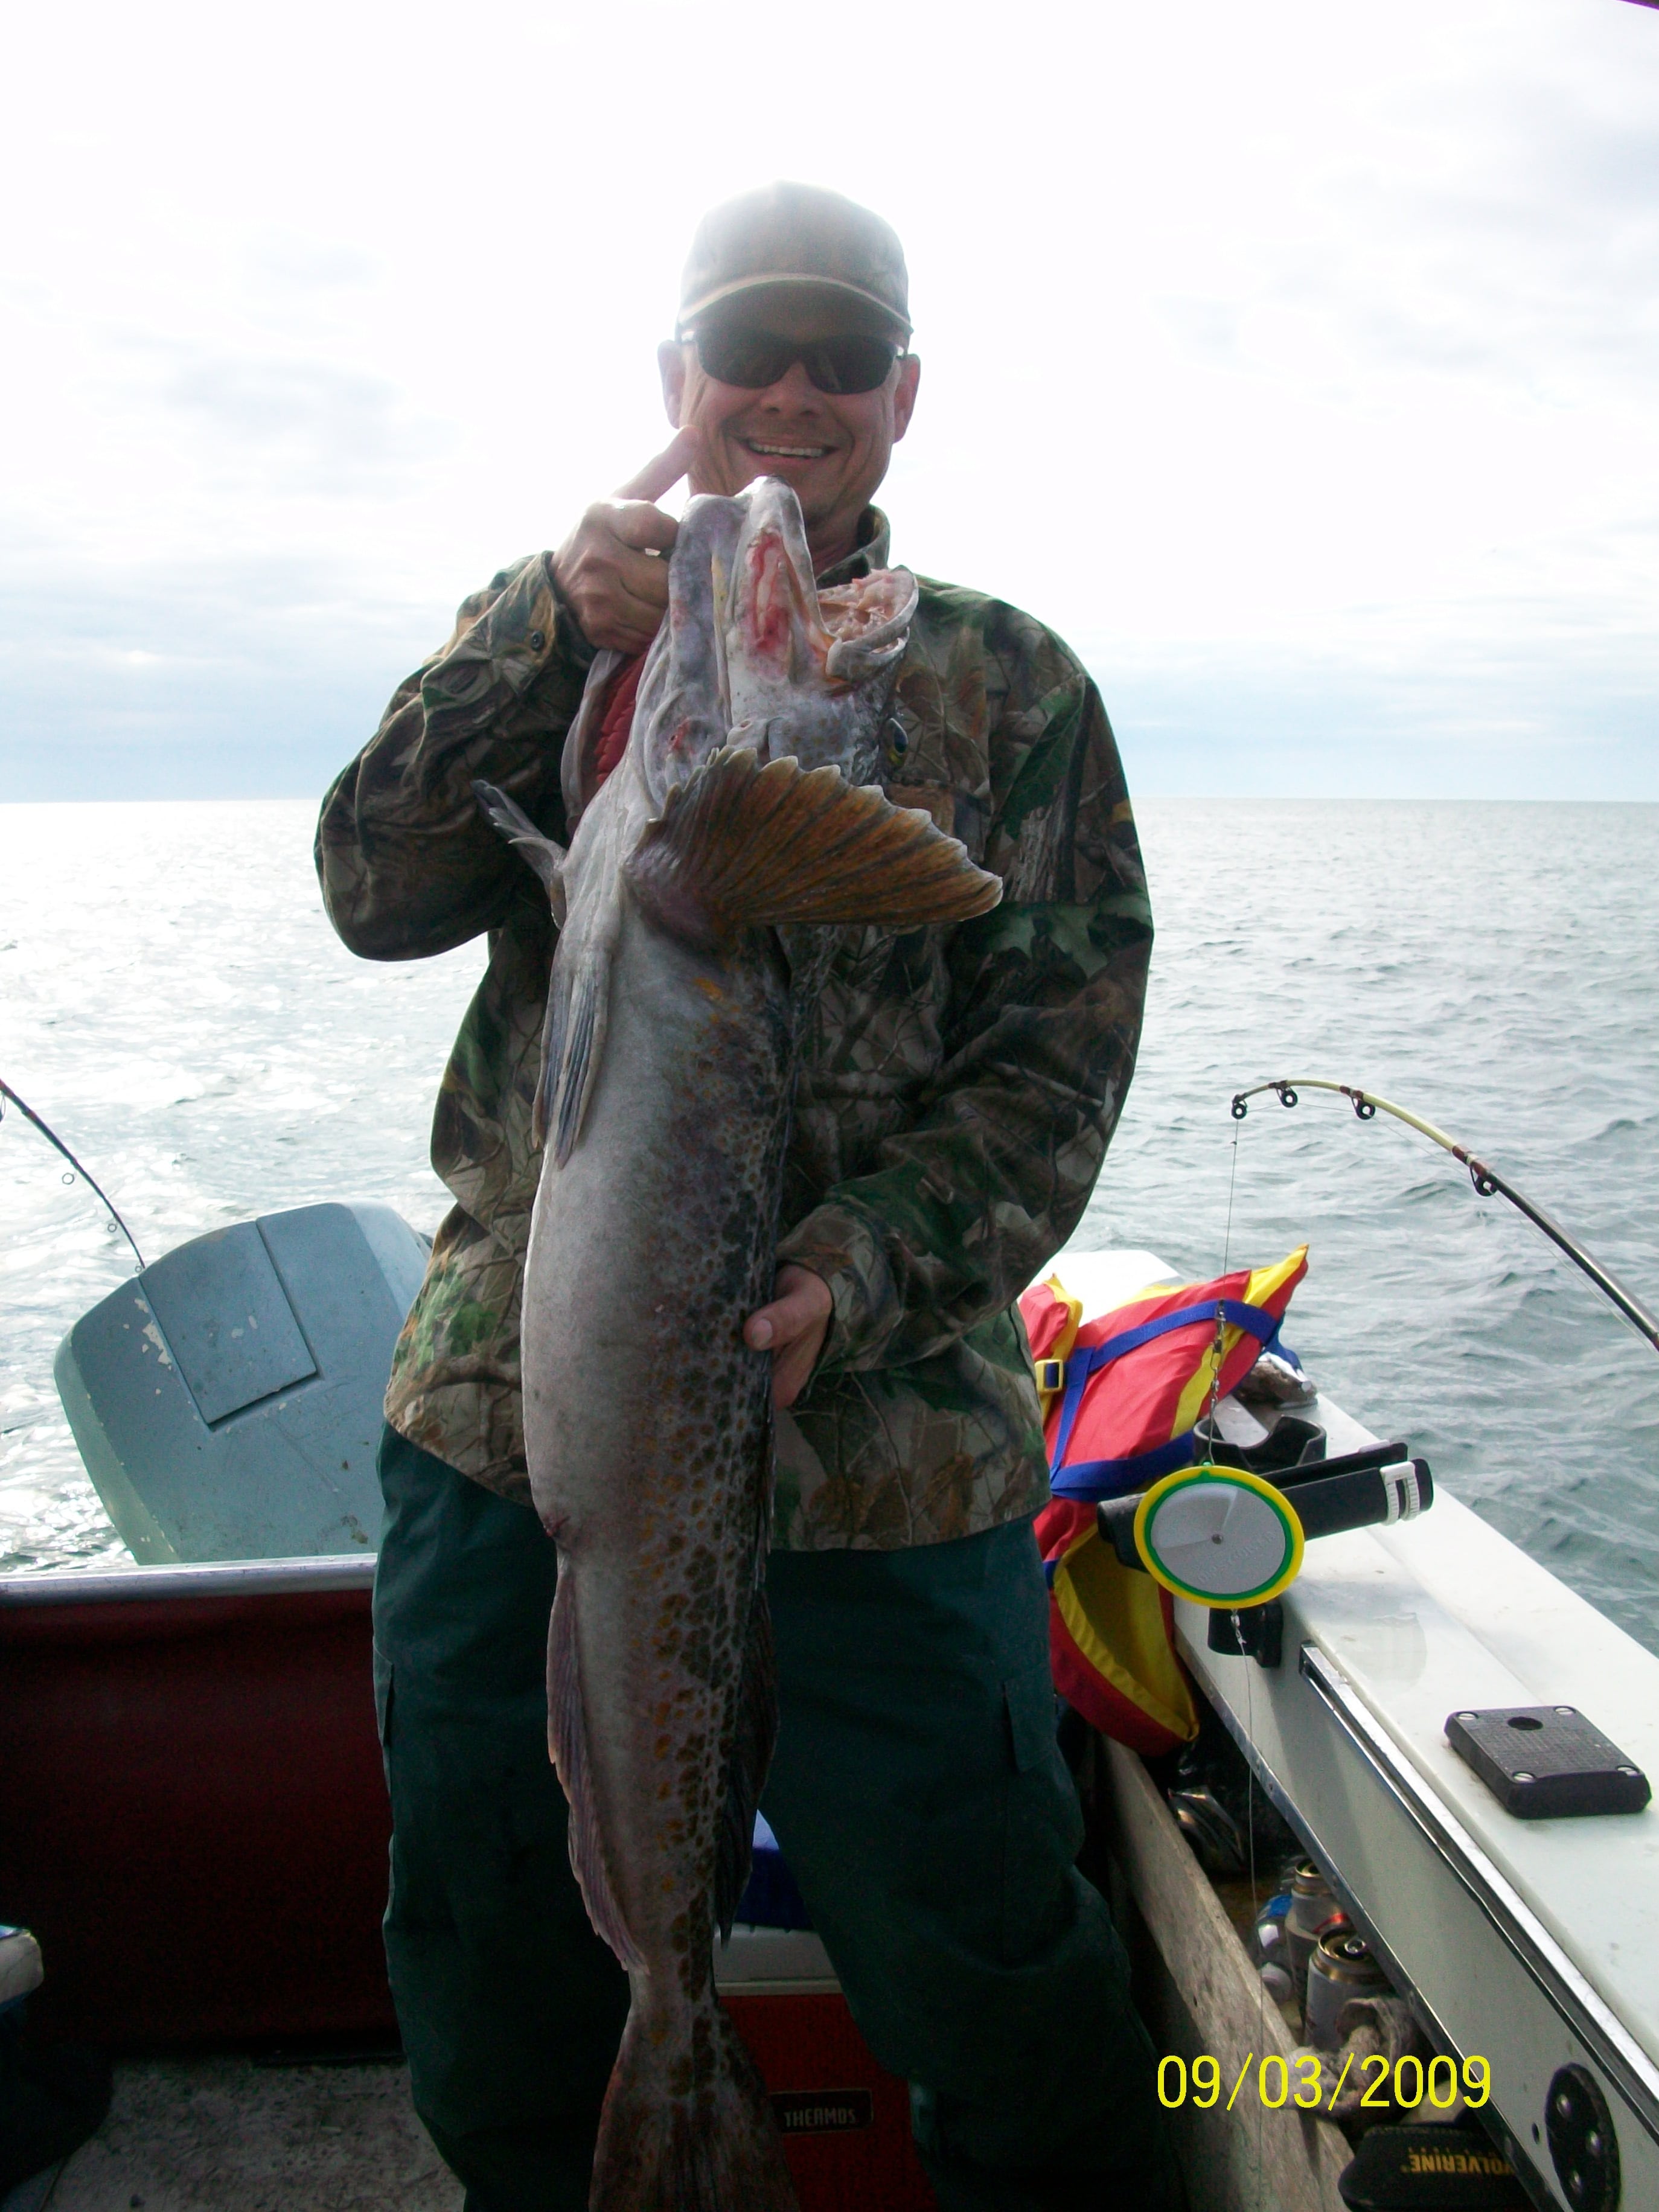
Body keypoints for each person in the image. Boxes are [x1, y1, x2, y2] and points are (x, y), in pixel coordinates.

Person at [316, 180, 1176, 2212]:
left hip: (882, 1456)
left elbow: (1056, 1066)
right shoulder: (565, 629)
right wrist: (541, 622)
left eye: (840, 357)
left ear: (903, 396)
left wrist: (856, 1271)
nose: (793, 392)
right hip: (515, 1417)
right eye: (750, 350)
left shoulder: (1014, 687)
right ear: (675, 381)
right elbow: (371, 889)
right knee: (484, 1912)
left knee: (982, 1949)